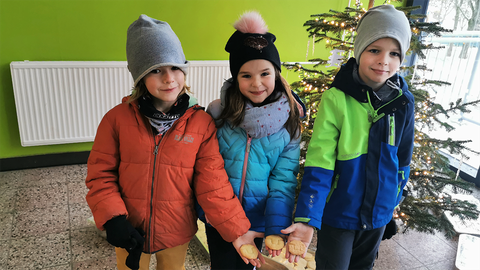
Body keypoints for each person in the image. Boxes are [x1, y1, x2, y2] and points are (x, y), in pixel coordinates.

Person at [85, 14, 255, 270]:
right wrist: (113, 219)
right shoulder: (115, 120)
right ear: (140, 76)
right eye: (156, 70)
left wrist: (238, 231)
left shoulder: (201, 123)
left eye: (175, 67)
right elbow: (100, 174)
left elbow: (213, 183)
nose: (169, 78)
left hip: (176, 230)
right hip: (130, 231)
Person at [282, 4, 415, 270]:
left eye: (394, 53)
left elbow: (403, 158)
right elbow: (320, 162)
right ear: (359, 51)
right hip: (340, 213)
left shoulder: (404, 102)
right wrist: (307, 218)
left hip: (378, 214)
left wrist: (393, 198)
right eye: (374, 50)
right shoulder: (336, 98)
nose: (384, 61)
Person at [196, 11, 304, 270]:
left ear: (276, 74)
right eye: (246, 75)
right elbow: (208, 170)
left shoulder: (289, 123)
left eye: (265, 73)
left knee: (250, 267)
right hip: (220, 217)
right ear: (236, 78)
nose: (257, 83)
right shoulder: (218, 114)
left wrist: (275, 228)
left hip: (258, 217)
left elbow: (283, 180)